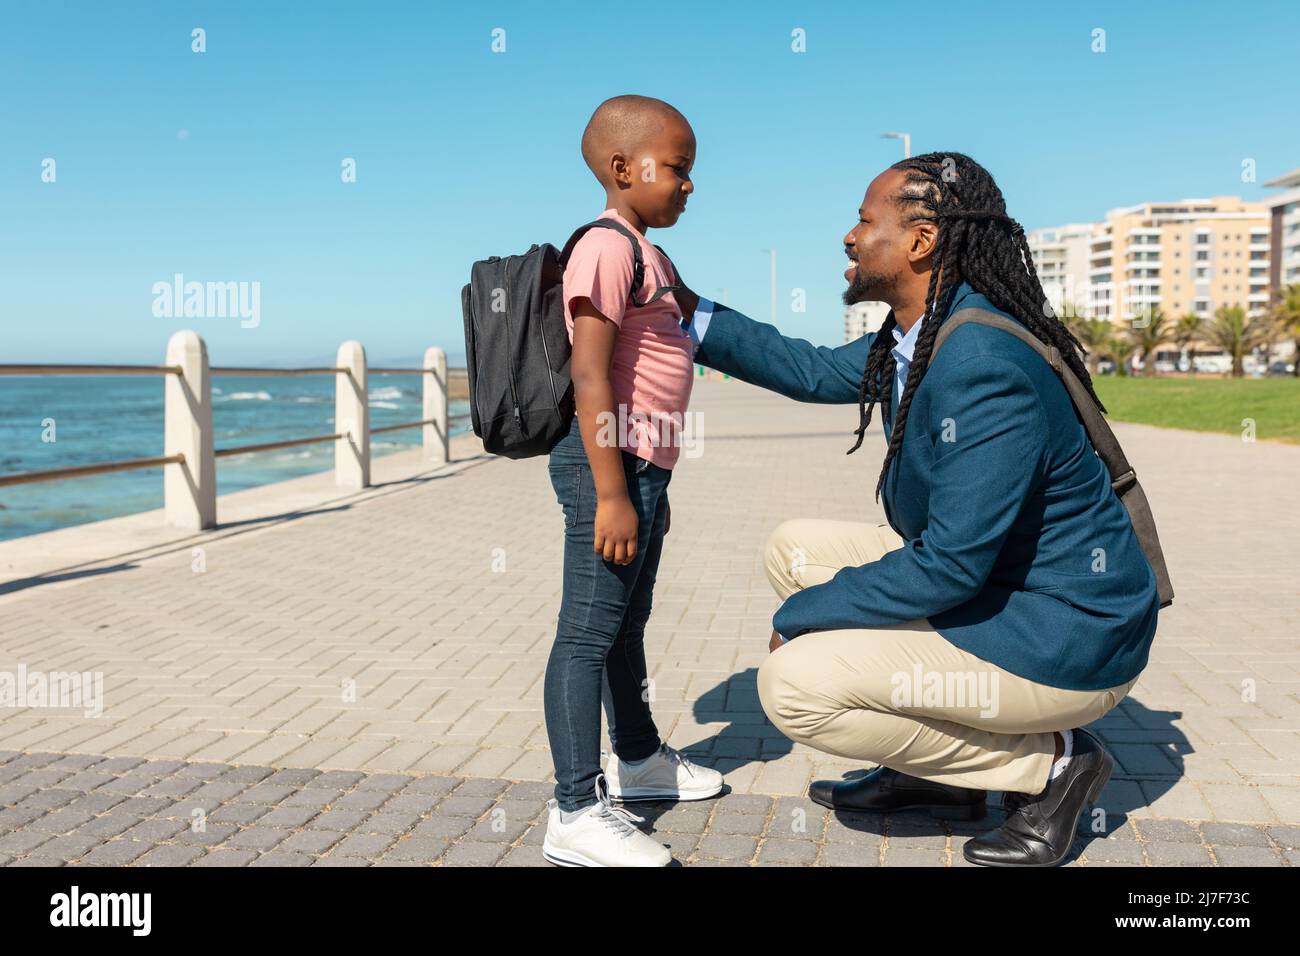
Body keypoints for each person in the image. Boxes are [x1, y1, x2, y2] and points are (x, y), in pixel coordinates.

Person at [675, 152, 1161, 867]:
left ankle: (1054, 766)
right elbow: (808, 369)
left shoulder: (978, 361)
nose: (850, 236)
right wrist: (686, 309)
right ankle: (942, 778)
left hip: (1068, 633)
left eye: (866, 221)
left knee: (795, 687)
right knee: (794, 548)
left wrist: (802, 616)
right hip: (1008, 590)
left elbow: (951, 567)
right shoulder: (921, 336)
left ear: (922, 240)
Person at [541, 95, 724, 868]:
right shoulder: (607, 249)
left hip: (642, 469)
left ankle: (640, 759)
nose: (689, 184)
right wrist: (613, 493)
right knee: (585, 635)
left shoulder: (651, 255)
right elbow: (591, 371)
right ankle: (576, 809)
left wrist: (653, 487)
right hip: (604, 468)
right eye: (678, 168)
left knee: (624, 626)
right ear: (623, 169)